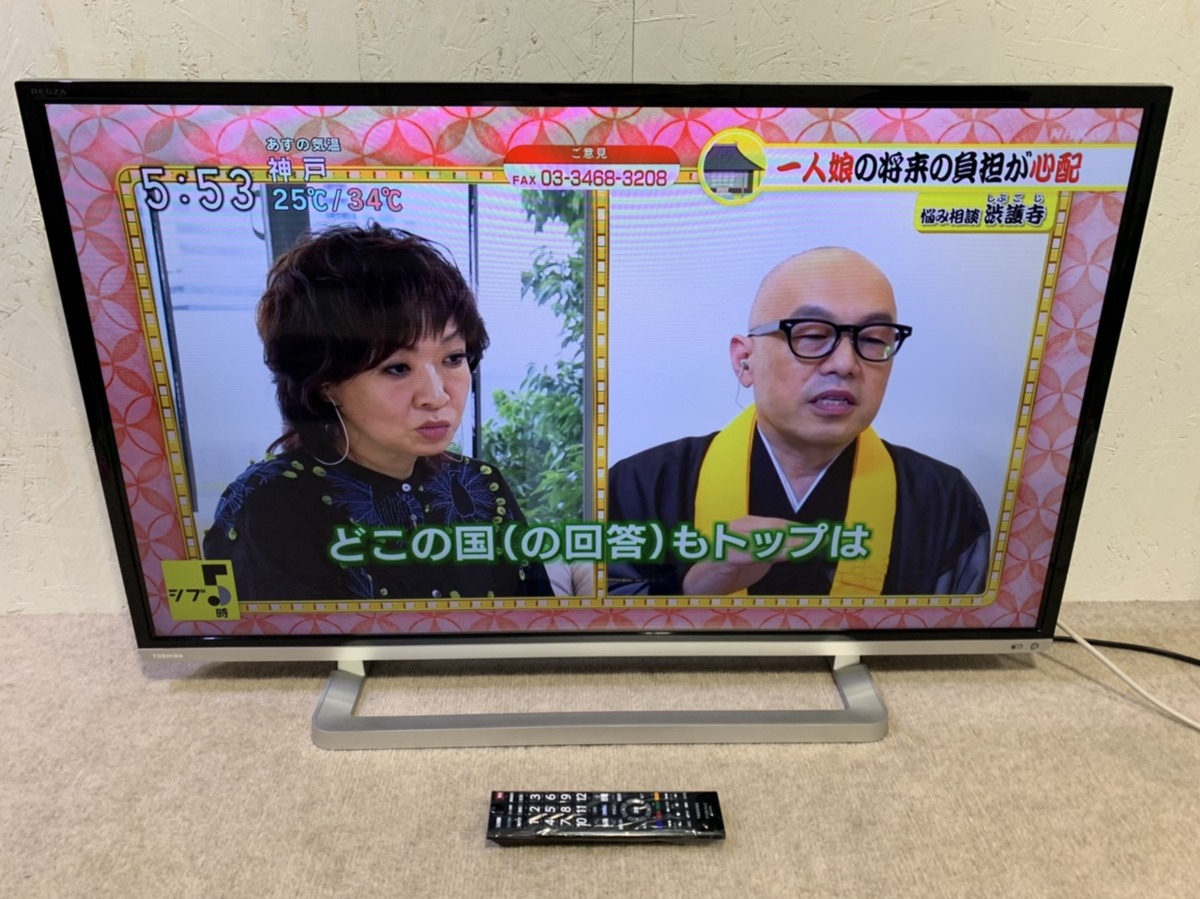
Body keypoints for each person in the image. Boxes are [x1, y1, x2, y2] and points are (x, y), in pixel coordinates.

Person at [607, 247, 991, 598]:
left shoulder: (943, 500)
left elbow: (960, 639)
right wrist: (689, 593)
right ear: (744, 361)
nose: (845, 364)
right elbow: (600, 622)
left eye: (873, 340)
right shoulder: (642, 486)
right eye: (811, 335)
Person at [203, 224, 551, 602]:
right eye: (397, 368)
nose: (437, 396)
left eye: (453, 358)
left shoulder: (479, 484)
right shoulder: (269, 503)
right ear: (325, 383)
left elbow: (540, 622)